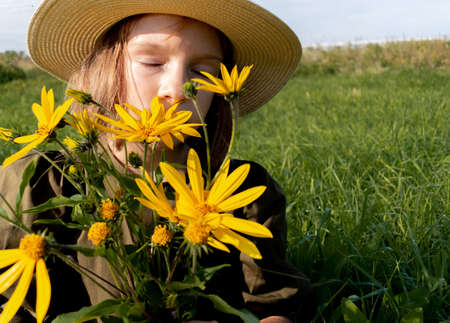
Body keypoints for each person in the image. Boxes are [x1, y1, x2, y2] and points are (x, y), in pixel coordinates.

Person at [0, 0, 315, 322]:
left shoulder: (245, 190)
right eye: (152, 62)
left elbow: (274, 304)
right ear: (104, 70)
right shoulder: (39, 182)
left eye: (202, 71)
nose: (176, 90)